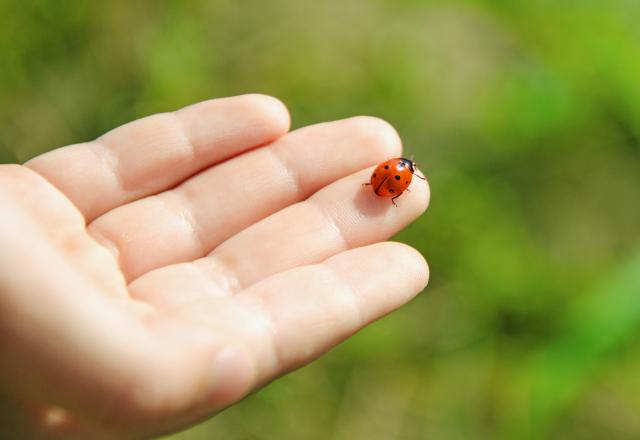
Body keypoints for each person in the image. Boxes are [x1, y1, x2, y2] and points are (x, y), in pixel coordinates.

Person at [0, 94, 429, 438]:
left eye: (400, 175)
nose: (398, 174)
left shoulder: (389, 173)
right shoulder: (393, 177)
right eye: (401, 174)